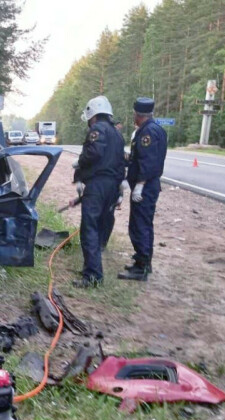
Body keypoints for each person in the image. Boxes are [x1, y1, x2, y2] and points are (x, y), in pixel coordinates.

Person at [72, 95, 126, 287]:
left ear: (92, 114)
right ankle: (92, 269)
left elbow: (93, 153)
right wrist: (120, 191)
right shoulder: (117, 133)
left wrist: (80, 163)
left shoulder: (97, 129)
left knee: (90, 229)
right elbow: (122, 163)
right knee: (100, 226)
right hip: (112, 186)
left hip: (97, 185)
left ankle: (93, 276)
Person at [118, 97, 167, 281]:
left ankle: (142, 268)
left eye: (134, 114)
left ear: (138, 114)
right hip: (147, 185)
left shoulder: (147, 133)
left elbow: (148, 162)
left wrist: (139, 185)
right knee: (143, 224)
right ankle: (143, 261)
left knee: (140, 226)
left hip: (145, 187)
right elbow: (139, 158)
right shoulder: (153, 130)